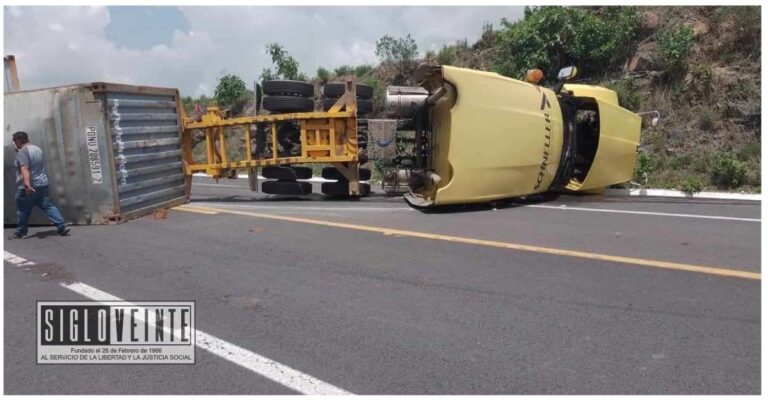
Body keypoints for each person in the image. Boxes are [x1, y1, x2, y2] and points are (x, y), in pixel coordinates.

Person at [11, 131, 70, 238]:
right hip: (42, 184)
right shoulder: (37, 149)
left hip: (29, 187)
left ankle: (21, 232)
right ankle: (61, 226)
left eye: (14, 141)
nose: (14, 144)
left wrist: (27, 185)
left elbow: (25, 168)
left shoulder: (23, 152)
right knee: (48, 206)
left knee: (23, 211)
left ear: (18, 140)